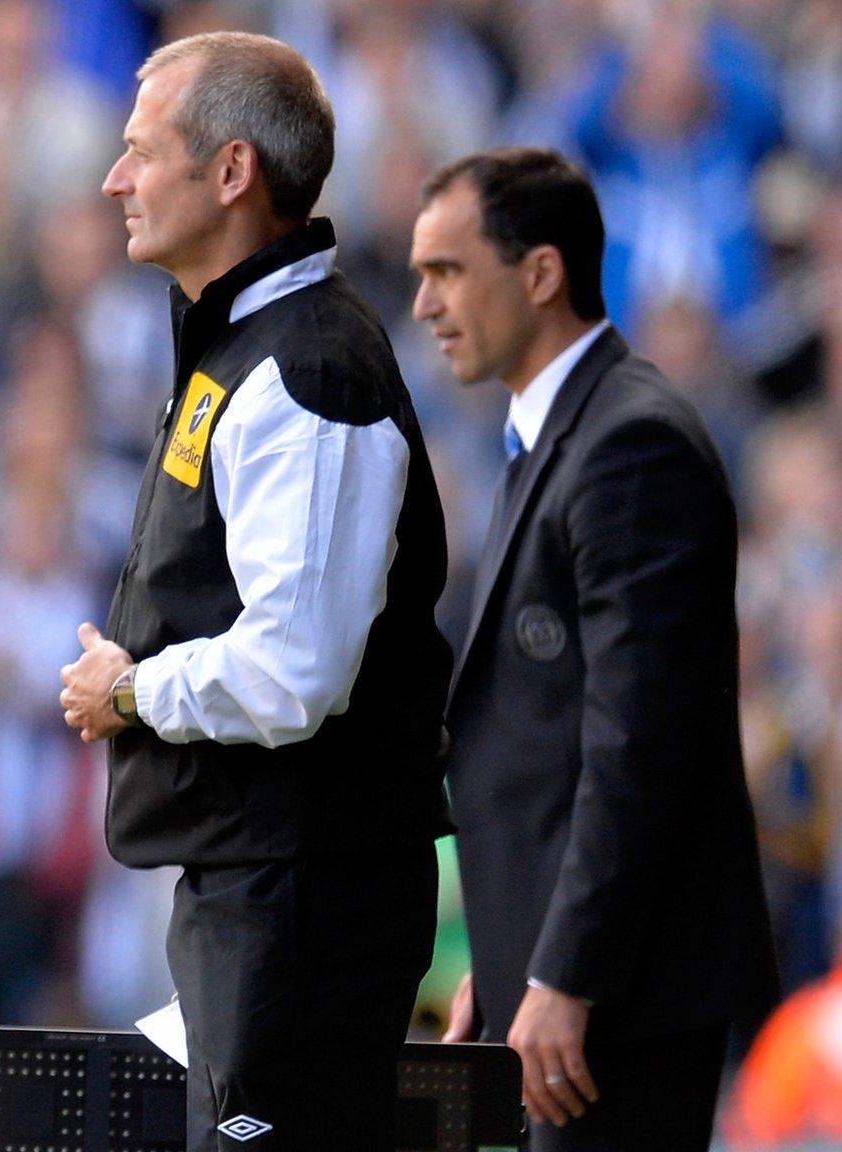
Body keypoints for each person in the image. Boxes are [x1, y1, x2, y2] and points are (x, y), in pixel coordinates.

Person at [58, 31, 453, 1151]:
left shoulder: (307, 365)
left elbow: (295, 672)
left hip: (302, 897)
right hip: (261, 885)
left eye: (140, 152)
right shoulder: (244, 345)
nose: (113, 180)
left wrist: (131, 690)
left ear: (230, 172)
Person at [411, 146, 777, 1151]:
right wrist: (509, 944)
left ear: (538, 274)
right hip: (576, 981)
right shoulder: (560, 432)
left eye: (445, 271)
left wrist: (562, 973)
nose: (422, 304)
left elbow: (634, 748)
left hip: (621, 997)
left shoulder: (629, 444)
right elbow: (549, 731)